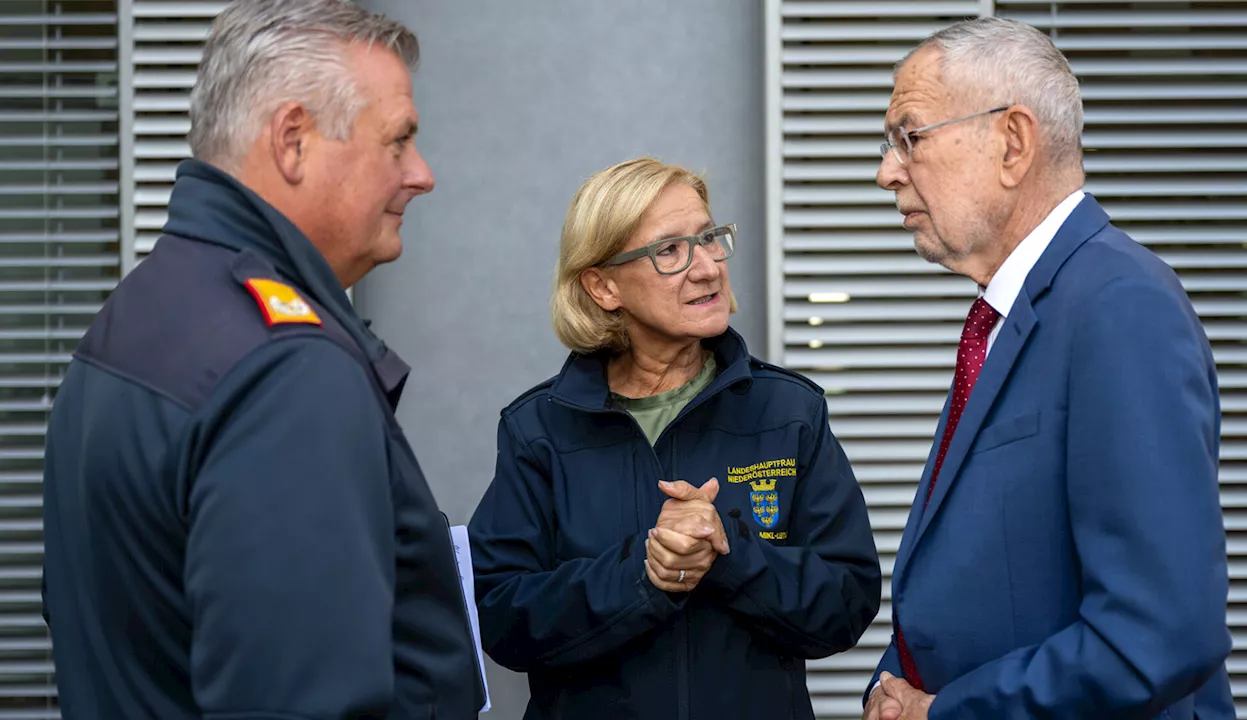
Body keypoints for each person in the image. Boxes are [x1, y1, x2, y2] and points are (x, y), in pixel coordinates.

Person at [40, 1, 485, 717]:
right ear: (293, 140)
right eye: (398, 141)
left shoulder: (141, 312)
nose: (422, 174)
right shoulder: (287, 372)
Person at [862, 17, 1234, 720]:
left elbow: (1158, 636)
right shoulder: (1017, 313)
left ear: (1013, 143)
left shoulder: (1121, 306)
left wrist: (945, 712)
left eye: (909, 136)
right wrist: (892, 690)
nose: (887, 171)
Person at [466, 157, 881, 719]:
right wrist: (641, 573)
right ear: (603, 285)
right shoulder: (539, 428)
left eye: (709, 238)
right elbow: (500, 615)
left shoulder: (789, 411)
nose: (708, 267)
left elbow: (846, 605)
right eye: (670, 251)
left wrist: (730, 554)